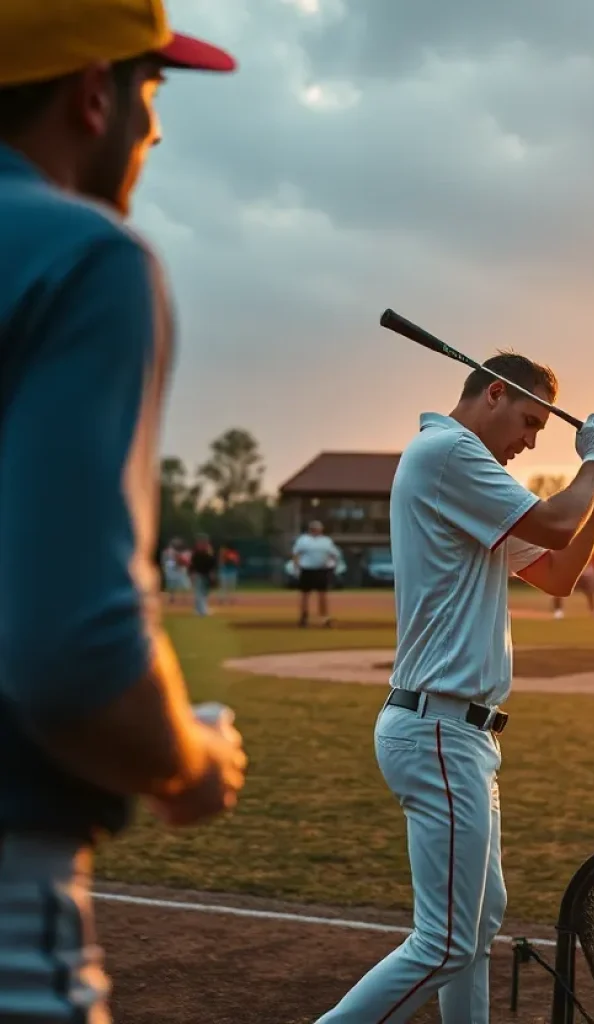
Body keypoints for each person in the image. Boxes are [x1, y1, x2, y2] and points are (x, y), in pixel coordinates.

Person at [0, 3, 246, 1020]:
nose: (152, 127)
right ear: (94, 93)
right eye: (152, 89)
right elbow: (72, 654)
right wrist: (187, 760)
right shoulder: (82, 253)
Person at [313, 352, 594, 1023]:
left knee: (474, 928)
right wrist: (593, 460)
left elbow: (558, 573)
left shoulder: (469, 476)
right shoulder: (448, 454)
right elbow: (553, 522)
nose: (530, 441)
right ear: (493, 393)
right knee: (446, 942)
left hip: (456, 733)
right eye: (528, 422)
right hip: (439, 728)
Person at [292, 520, 342, 627]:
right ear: (310, 529)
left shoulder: (326, 541)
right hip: (307, 570)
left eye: (318, 528)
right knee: (305, 595)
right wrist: (296, 568)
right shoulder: (303, 540)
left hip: (321, 570)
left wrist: (334, 565)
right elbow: (296, 554)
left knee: (322, 595)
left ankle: (325, 618)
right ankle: (304, 617)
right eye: (314, 528)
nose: (316, 530)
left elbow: (334, 554)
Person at [552, 546, 594, 619]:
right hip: (569, 573)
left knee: (590, 593)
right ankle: (558, 612)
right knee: (559, 591)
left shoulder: (591, 545)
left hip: (586, 573)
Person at [188, 535, 217, 617]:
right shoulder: (196, 553)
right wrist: (192, 574)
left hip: (206, 575)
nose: (202, 544)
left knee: (204, 593)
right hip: (198, 574)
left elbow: (212, 564)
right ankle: (202, 610)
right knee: (199, 593)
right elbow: (192, 565)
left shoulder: (208, 553)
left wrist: (212, 574)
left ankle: (199, 609)